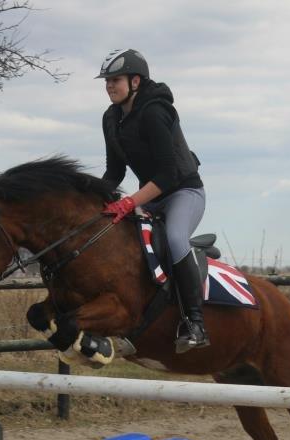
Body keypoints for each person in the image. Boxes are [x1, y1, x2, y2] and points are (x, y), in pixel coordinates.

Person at [97, 48, 209, 353]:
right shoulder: (111, 118)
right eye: (106, 81)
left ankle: (195, 324)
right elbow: (114, 171)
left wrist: (130, 202)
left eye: (115, 79)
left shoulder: (156, 110)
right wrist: (93, 198)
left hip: (184, 192)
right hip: (152, 197)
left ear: (135, 81)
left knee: (174, 239)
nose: (109, 85)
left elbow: (169, 175)